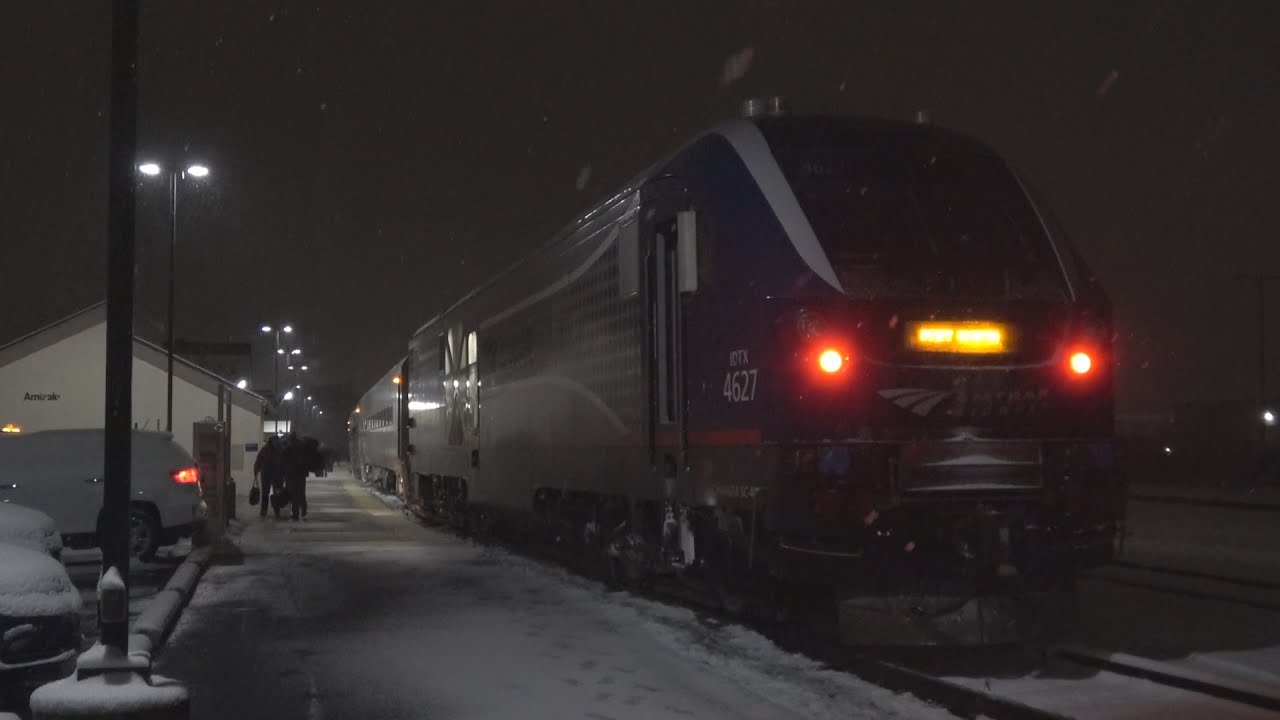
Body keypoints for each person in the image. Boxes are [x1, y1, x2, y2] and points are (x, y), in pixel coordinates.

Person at [253, 436, 285, 519]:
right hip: (269, 474)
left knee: (276, 493)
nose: (275, 443)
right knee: (266, 493)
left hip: (275, 474)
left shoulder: (277, 450)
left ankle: (275, 510)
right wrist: (256, 471)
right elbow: (258, 461)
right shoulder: (274, 450)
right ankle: (266, 511)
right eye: (274, 441)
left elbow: (258, 461)